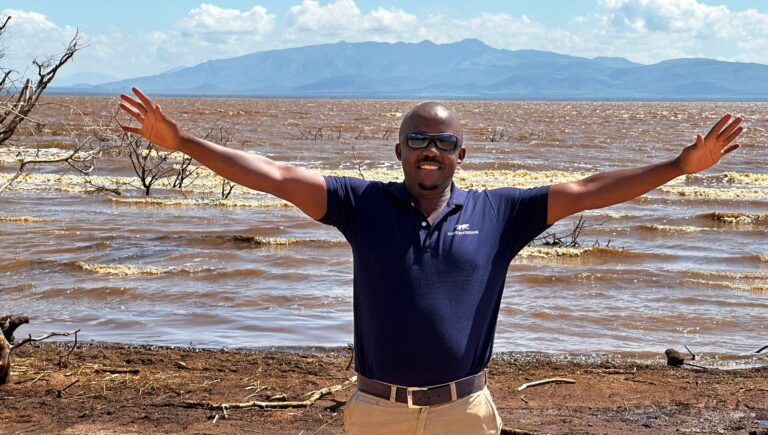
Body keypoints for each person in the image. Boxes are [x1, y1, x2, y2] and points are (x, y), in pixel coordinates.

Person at [118, 88, 744, 434]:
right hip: (376, 411)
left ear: (460, 154)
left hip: (465, 413)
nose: (430, 151)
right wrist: (182, 143)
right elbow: (278, 176)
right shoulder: (363, 204)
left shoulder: (502, 214)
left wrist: (678, 168)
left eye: (442, 143)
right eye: (418, 139)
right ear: (398, 149)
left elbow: (590, 190)